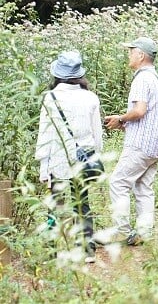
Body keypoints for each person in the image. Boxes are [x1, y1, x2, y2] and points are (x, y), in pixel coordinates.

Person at [35, 50, 104, 264]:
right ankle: (87, 250)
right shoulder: (91, 97)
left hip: (57, 160)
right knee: (82, 204)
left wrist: (43, 169)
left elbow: (44, 135)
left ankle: (51, 251)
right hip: (83, 159)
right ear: (79, 74)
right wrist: (95, 158)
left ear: (58, 74)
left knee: (54, 204)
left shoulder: (50, 98)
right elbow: (97, 134)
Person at [97, 37, 158, 246]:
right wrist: (123, 122)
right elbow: (150, 114)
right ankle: (144, 233)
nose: (128, 55)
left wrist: (120, 118)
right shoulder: (156, 79)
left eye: (131, 51)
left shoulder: (142, 79)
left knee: (118, 182)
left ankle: (123, 231)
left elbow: (139, 110)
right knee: (144, 188)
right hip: (155, 144)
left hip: (139, 145)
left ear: (140, 55)